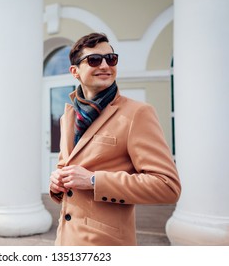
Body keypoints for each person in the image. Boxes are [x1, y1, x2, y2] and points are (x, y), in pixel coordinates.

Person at [49, 32, 181, 246]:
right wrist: (56, 184)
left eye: (110, 59)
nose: (104, 65)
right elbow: (69, 171)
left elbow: (167, 186)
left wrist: (93, 180)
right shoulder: (68, 117)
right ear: (75, 72)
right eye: (94, 60)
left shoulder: (138, 113)